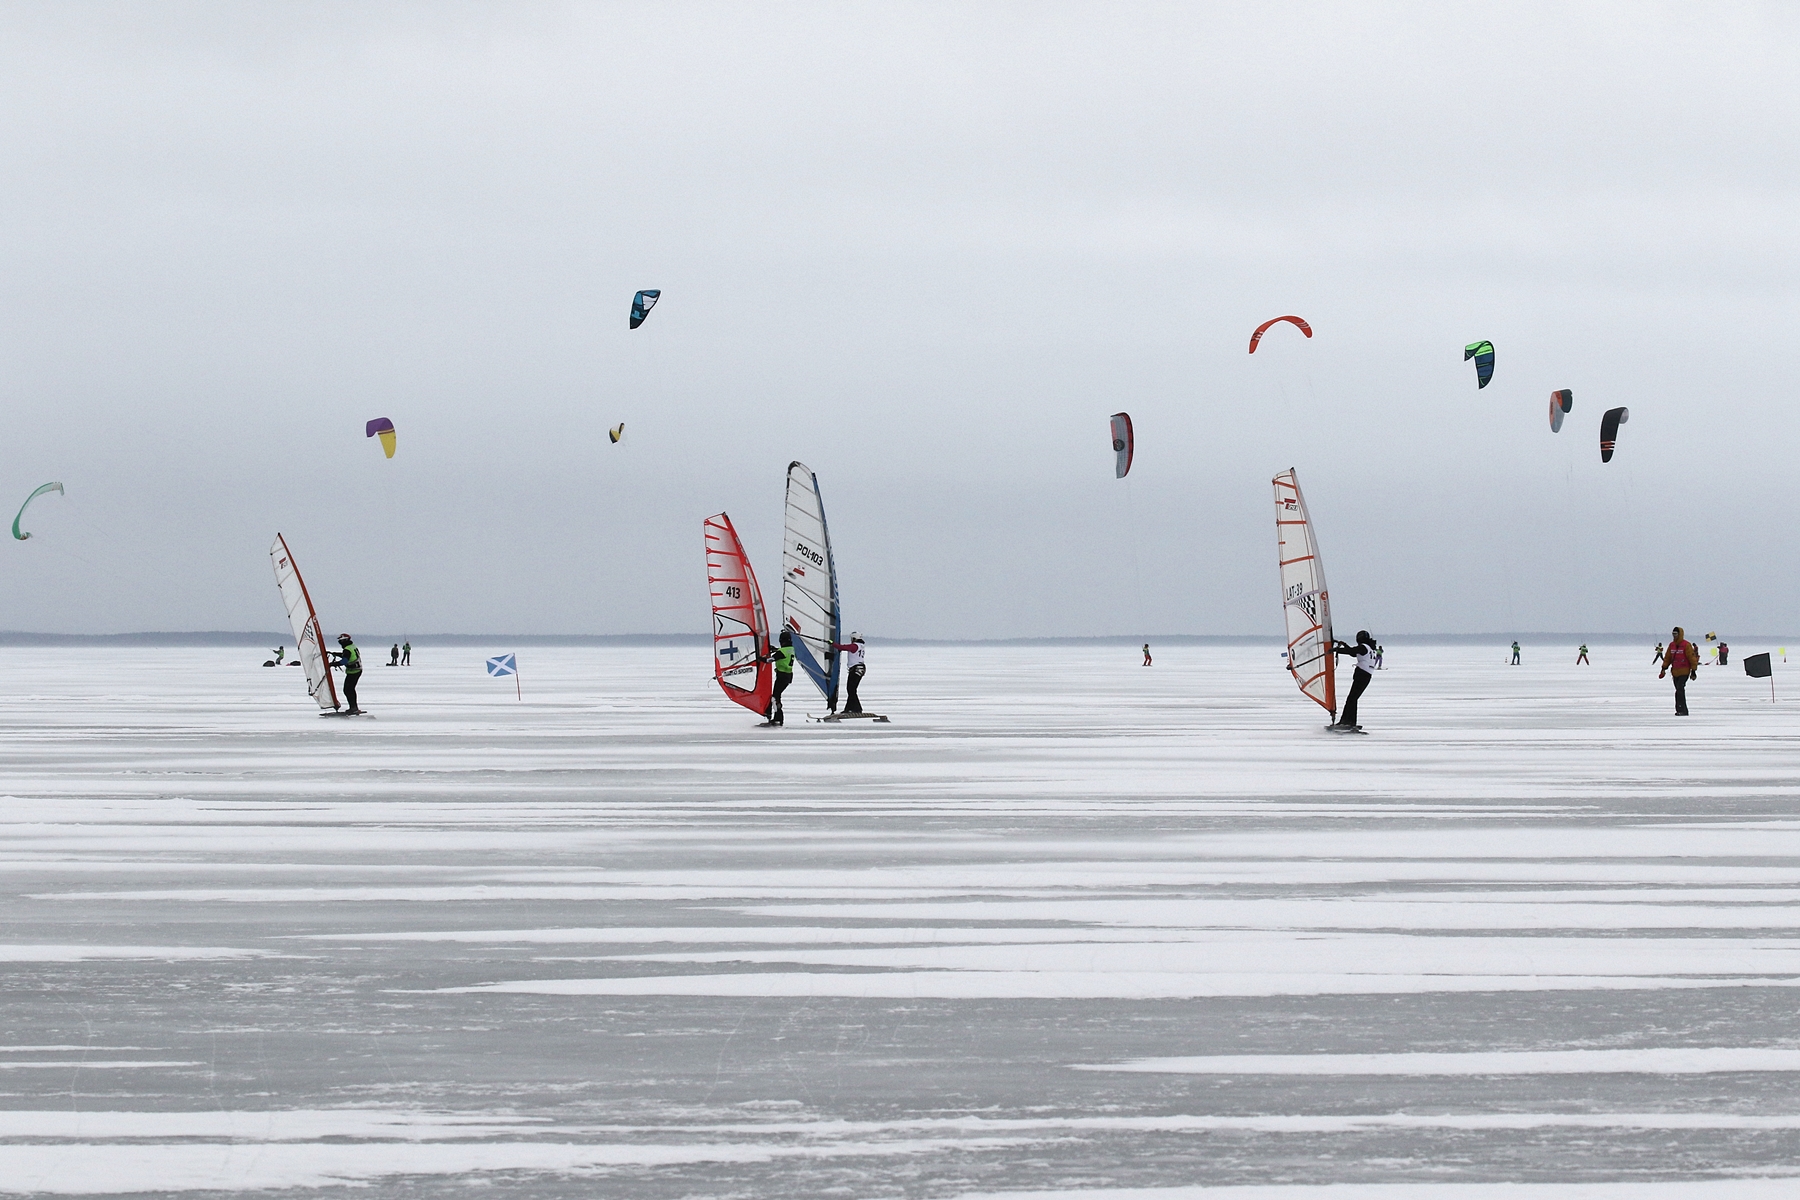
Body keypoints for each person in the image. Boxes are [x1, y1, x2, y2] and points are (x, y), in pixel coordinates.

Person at [1330, 629, 1378, 730]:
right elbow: (1353, 653)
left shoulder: (1363, 647)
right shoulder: (1370, 648)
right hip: (1366, 675)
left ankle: (1348, 722)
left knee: (1352, 698)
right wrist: (1344, 646)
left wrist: (1336, 650)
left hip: (1362, 675)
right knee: (1352, 698)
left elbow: (1351, 651)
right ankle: (1348, 721)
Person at [1659, 626, 1701, 716]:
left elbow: (1692, 658)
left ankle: (1683, 710)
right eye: (1673, 634)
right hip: (1675, 672)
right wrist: (1663, 668)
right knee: (1678, 690)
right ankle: (1679, 709)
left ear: (1680, 634)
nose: (1674, 636)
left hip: (1684, 672)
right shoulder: (1672, 645)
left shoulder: (1686, 645)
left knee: (1680, 690)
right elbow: (1667, 658)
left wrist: (1693, 671)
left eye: (1676, 634)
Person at [762, 630, 795, 725]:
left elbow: (770, 660)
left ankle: (778, 718)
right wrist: (775, 649)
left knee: (775, 697)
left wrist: (760, 659)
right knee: (777, 696)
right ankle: (778, 717)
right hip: (788, 676)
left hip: (782, 676)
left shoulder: (782, 651)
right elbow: (783, 653)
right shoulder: (791, 649)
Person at [832, 633, 867, 713]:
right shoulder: (861, 646)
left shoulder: (855, 646)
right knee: (851, 689)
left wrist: (832, 643)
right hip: (859, 668)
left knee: (851, 689)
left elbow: (842, 647)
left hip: (856, 669)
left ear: (854, 638)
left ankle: (857, 708)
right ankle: (849, 708)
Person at [332, 633, 364, 714]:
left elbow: (344, 661)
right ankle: (354, 707)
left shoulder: (347, 649)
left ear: (344, 641)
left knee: (348, 690)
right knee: (350, 689)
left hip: (354, 671)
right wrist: (335, 653)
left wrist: (331, 664)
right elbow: (346, 655)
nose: (340, 643)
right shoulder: (351, 646)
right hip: (356, 670)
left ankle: (353, 708)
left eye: (340, 641)